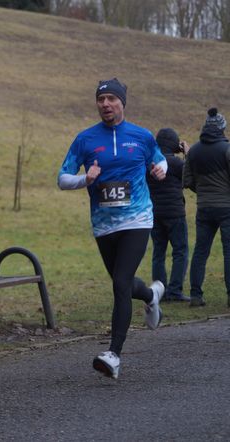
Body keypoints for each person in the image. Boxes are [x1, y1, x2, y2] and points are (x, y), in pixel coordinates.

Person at [57, 78, 167, 380]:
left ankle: (113, 354)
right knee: (125, 284)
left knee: (119, 283)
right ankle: (150, 295)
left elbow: (160, 161)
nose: (105, 104)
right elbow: (62, 177)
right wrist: (85, 180)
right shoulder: (85, 139)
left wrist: (160, 169)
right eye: (101, 99)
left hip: (137, 219)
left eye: (111, 99)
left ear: (122, 103)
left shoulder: (141, 136)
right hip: (104, 224)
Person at [183, 108, 230, 308]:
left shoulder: (193, 150)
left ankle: (195, 295)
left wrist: (202, 190)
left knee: (201, 251)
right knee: (229, 252)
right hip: (226, 208)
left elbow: (187, 180)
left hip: (203, 208)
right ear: (222, 128)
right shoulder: (227, 149)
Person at [146, 128, 191, 302]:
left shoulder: (150, 162)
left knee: (159, 252)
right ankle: (175, 291)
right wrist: (187, 153)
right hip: (175, 214)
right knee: (180, 251)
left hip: (154, 213)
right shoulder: (177, 163)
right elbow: (190, 176)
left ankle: (160, 292)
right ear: (175, 144)